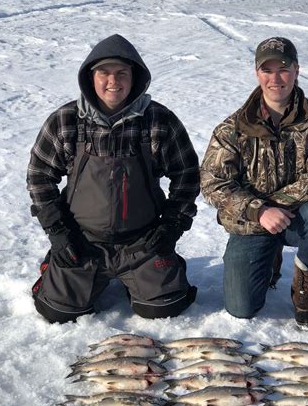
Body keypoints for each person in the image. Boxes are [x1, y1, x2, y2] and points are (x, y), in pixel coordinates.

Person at [27, 33, 200, 324]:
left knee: (164, 308)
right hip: (82, 240)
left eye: (122, 73)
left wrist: (172, 224)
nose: (113, 81)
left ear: (135, 78)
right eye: (104, 73)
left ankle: (158, 272)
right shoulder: (66, 120)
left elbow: (187, 175)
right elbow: (39, 175)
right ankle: (58, 269)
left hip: (143, 241)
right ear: (90, 77)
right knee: (59, 312)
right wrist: (58, 230)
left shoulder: (158, 120)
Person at [200, 36, 308, 330]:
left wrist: (277, 205)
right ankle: (270, 258)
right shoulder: (232, 128)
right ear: (257, 73)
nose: (275, 79)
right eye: (267, 70)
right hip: (253, 222)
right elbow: (213, 182)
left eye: (283, 69)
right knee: (240, 308)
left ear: (296, 71)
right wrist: (259, 210)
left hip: (297, 217)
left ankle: (307, 293)